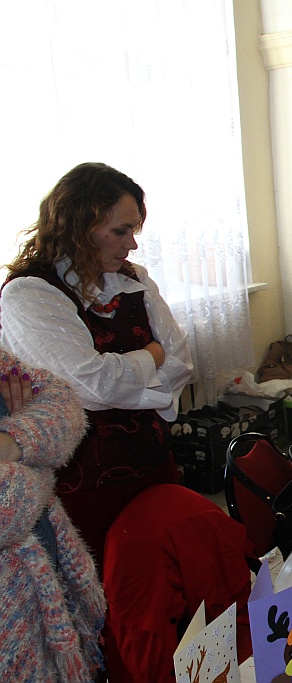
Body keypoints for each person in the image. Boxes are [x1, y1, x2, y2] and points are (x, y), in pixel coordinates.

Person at [1, 162, 194, 568]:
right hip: (83, 479)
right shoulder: (30, 294)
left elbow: (183, 359)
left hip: (151, 460)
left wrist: (125, 379)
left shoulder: (133, 278)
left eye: (134, 231)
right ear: (79, 226)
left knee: (165, 569)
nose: (132, 246)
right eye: (120, 232)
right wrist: (152, 355)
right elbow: (87, 386)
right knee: (102, 585)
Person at [0, 356, 104, 683]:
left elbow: (65, 403)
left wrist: (14, 441)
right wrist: (40, 460)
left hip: (48, 570)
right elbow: (8, 507)